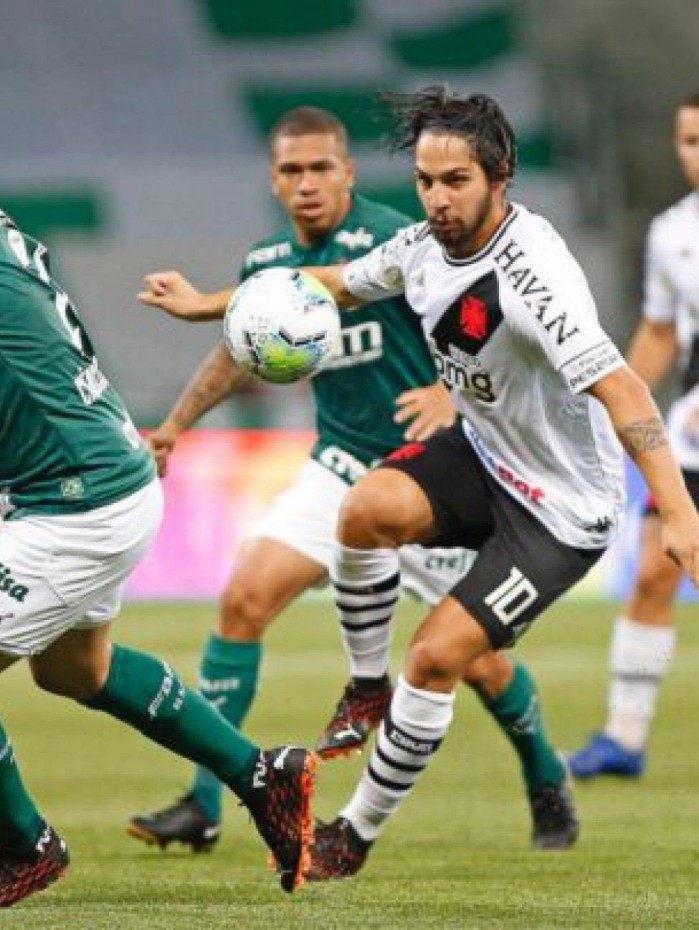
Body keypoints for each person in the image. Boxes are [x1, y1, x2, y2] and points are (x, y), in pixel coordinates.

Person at [139, 86, 699, 882]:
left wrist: (674, 512)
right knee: (364, 509)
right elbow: (326, 284)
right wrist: (206, 309)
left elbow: (625, 391)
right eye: (426, 182)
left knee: (438, 658)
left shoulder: (535, 279)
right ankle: (365, 685)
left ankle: (354, 833)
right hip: (483, 455)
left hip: (560, 508)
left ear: (499, 175)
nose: (436, 200)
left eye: (455, 182)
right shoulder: (420, 247)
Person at [0, 210, 316, 906]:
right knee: (76, 670)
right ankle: (259, 772)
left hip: (76, 502)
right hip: (97, 478)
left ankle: (24, 844)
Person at [569, 92, 699, 779]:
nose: (693, 154)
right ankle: (622, 737)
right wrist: (604, 406)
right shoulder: (672, 231)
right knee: (654, 571)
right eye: (687, 140)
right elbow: (658, 333)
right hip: (691, 437)